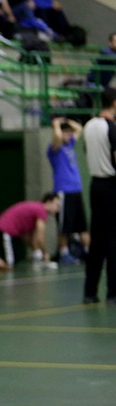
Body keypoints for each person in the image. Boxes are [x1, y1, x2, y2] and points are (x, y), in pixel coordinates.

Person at [81, 89, 116, 304]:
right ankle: (113, 291)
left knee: (97, 240)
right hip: (111, 185)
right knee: (113, 240)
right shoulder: (111, 127)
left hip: (95, 185)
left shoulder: (88, 125)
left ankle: (90, 291)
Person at [0, 194, 61, 271]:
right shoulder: (41, 211)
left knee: (12, 261)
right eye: (56, 205)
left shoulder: (36, 209)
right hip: (6, 231)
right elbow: (40, 237)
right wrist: (45, 253)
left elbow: (27, 236)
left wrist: (36, 251)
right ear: (49, 202)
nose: (58, 209)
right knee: (8, 265)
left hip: (5, 231)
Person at [48, 117, 89, 265]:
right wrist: (56, 124)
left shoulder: (70, 144)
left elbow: (79, 129)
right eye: (65, 132)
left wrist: (67, 120)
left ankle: (88, 252)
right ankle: (64, 253)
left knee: (82, 226)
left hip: (76, 190)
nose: (69, 134)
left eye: (69, 132)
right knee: (64, 226)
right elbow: (58, 137)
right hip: (64, 191)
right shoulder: (54, 149)